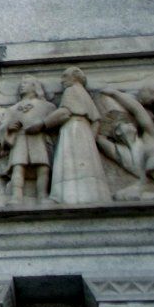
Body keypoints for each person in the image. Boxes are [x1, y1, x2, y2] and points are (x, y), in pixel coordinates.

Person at [45, 67, 110, 205]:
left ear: (74, 77)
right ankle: (91, 196)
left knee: (69, 161)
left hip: (73, 128)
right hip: (84, 130)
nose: (61, 80)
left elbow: (65, 112)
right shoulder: (84, 93)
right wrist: (90, 141)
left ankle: (66, 197)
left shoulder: (71, 90)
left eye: (64, 76)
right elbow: (96, 120)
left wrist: (44, 123)